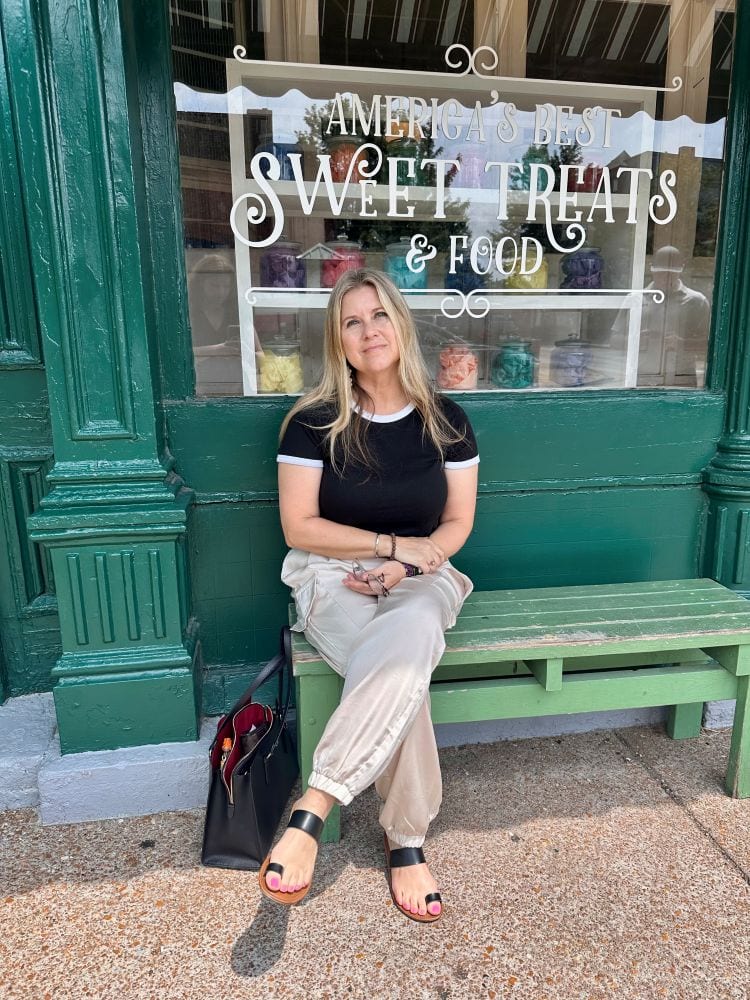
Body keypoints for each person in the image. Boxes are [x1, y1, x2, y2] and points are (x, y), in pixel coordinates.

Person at [259, 268, 479, 923]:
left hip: (424, 576)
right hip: (330, 575)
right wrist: (388, 548)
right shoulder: (312, 422)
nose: (368, 331)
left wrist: (412, 566)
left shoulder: (447, 420)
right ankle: (405, 838)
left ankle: (314, 806)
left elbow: (457, 524)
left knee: (410, 633)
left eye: (378, 315)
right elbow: (300, 525)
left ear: (400, 324)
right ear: (338, 339)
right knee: (405, 670)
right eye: (351, 321)